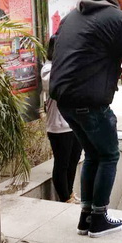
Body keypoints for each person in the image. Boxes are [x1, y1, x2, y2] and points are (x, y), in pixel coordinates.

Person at [50, 0, 122, 238]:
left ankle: (86, 217)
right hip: (89, 102)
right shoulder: (117, 19)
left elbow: (59, 49)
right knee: (108, 155)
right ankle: (99, 219)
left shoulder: (74, 15)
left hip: (64, 102)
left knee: (93, 154)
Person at [41, 34, 82, 204]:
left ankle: (69, 193)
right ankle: (64, 197)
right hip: (58, 126)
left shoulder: (69, 66)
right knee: (62, 163)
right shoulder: (48, 69)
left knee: (73, 161)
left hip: (75, 124)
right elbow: (58, 88)